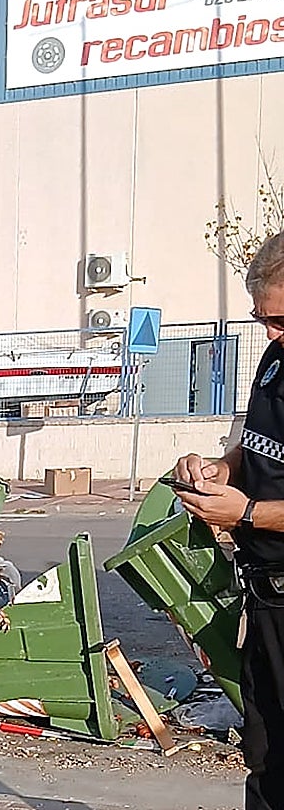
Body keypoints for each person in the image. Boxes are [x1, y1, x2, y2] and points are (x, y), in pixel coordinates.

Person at [174, 231, 284, 810]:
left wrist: (245, 512)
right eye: (261, 318)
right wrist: (222, 467)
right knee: (265, 755)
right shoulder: (274, 360)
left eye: (281, 320)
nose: (270, 333)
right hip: (264, 598)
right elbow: (257, 446)